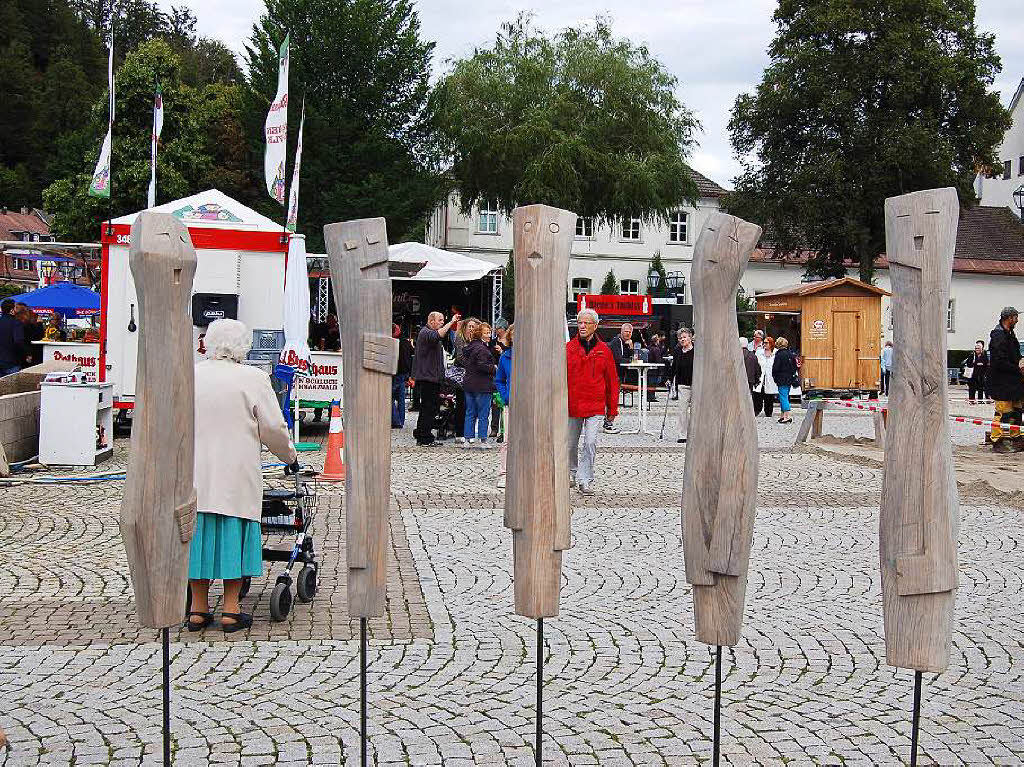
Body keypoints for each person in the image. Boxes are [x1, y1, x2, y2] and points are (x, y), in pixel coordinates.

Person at [188, 319, 298, 632]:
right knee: (233, 536)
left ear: (209, 342)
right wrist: (289, 457)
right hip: (236, 473)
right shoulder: (254, 378)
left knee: (198, 537)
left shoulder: (191, 375)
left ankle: (197, 609)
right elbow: (273, 429)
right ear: (243, 345)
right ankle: (231, 609)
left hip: (196, 472)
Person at [566, 308, 620, 495]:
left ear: (595, 326)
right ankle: (571, 474)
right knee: (570, 444)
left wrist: (612, 409)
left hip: (595, 405)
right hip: (572, 406)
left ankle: (585, 479)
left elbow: (613, 381)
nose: (582, 326)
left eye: (586, 323)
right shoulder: (568, 349)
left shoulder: (604, 350)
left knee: (590, 443)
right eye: (579, 322)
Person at [413, 311, 460, 445]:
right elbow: (438, 335)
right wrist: (451, 323)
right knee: (428, 407)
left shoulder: (429, 334)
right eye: (439, 320)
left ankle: (422, 433)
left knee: (430, 407)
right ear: (431, 321)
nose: (441, 322)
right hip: (428, 378)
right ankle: (424, 437)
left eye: (442, 320)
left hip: (432, 377)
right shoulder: (426, 332)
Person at [988, 307, 1024, 453]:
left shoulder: (1010, 334)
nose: (1017, 320)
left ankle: (1016, 438)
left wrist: (1021, 361)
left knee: (1017, 410)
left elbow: (1015, 355)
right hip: (1001, 382)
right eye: (1015, 317)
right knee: (1003, 412)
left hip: (1013, 381)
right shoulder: (998, 336)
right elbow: (999, 362)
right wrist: (1018, 369)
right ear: (1009, 318)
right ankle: (997, 440)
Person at [462, 322, 496, 447]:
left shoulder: (471, 346)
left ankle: (467, 439)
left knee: (470, 412)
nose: (489, 335)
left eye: (489, 332)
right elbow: (482, 366)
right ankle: (483, 440)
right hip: (482, 385)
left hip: (469, 384)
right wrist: (494, 368)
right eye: (486, 332)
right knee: (483, 414)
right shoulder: (482, 349)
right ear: (479, 334)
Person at [494, 324, 514, 486]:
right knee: (507, 440)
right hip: (510, 403)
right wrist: (505, 395)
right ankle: (504, 473)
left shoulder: (534, 356)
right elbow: (499, 379)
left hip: (529, 404)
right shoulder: (505, 357)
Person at [671, 328, 694, 443]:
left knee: (695, 411)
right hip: (682, 384)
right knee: (682, 410)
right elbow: (673, 367)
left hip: (696, 385)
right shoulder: (677, 351)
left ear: (690, 338)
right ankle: (682, 434)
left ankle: (695, 433)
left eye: (684, 337)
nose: (682, 339)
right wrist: (668, 378)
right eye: (680, 338)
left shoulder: (697, 350)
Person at [772, 337, 799, 424]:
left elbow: (776, 368)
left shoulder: (779, 355)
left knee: (783, 397)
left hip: (781, 378)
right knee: (785, 396)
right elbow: (795, 367)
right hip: (789, 378)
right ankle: (782, 415)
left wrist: (774, 376)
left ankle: (787, 416)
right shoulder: (791, 354)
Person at [392, 324, 413, 429]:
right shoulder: (406, 342)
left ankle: (396, 421)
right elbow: (411, 356)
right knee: (401, 398)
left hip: (396, 372)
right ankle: (401, 420)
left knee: (389, 397)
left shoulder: (394, 342)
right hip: (404, 372)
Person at [0, 298, 25, 376]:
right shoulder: (16, 323)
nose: (16, 310)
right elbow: (18, 341)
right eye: (15, 307)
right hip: (11, 361)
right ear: (11, 310)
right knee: (11, 386)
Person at [754, 336, 778, 417]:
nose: (765, 344)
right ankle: (756, 411)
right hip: (760, 377)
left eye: (766, 343)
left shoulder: (776, 353)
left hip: (770, 378)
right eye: (764, 342)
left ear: (771, 343)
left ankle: (768, 412)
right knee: (758, 395)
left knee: (769, 396)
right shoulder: (759, 352)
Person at [962, 340, 989, 405]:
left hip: (981, 374)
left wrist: (984, 367)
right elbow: (968, 364)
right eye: (976, 348)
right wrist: (975, 363)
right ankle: (972, 400)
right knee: (972, 388)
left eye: (978, 349)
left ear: (981, 349)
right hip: (972, 375)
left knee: (981, 388)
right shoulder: (972, 355)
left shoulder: (984, 355)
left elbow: (986, 363)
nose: (977, 350)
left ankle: (980, 400)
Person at [740, 337, 761, 410]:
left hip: (738, 379)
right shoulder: (752, 355)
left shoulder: (736, 355)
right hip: (750, 379)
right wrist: (757, 380)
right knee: (748, 397)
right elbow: (757, 369)